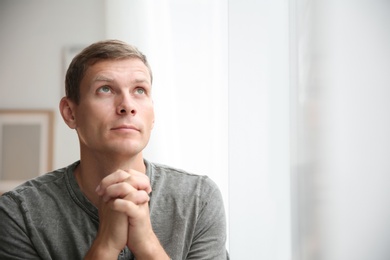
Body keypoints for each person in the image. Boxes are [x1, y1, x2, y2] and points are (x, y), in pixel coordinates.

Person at [0, 40, 228, 259]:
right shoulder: (18, 213)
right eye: (106, 89)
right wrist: (106, 244)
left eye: (139, 90)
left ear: (153, 113)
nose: (127, 106)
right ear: (70, 113)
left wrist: (147, 245)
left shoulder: (200, 200)